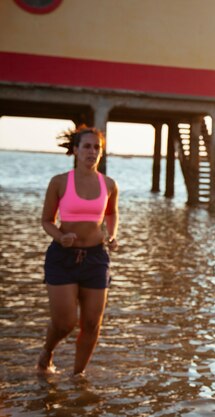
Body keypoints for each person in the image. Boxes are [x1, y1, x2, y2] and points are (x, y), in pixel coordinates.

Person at [37, 125, 119, 375]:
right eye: (87, 146)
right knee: (65, 323)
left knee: (92, 324)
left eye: (97, 147)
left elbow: (112, 212)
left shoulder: (109, 184)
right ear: (75, 150)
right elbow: (46, 220)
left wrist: (112, 234)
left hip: (96, 258)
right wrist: (61, 237)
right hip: (62, 257)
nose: (92, 151)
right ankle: (47, 351)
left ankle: (77, 377)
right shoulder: (60, 182)